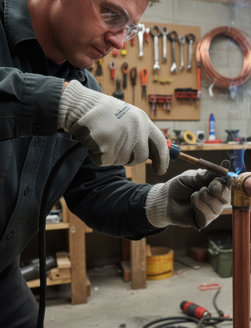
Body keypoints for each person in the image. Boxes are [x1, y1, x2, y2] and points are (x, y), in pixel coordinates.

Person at [0, 0, 232, 327]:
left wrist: (158, 204)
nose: (119, 42)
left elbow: (96, 190)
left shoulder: (87, 88)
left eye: (130, 28)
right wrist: (59, 102)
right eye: (111, 14)